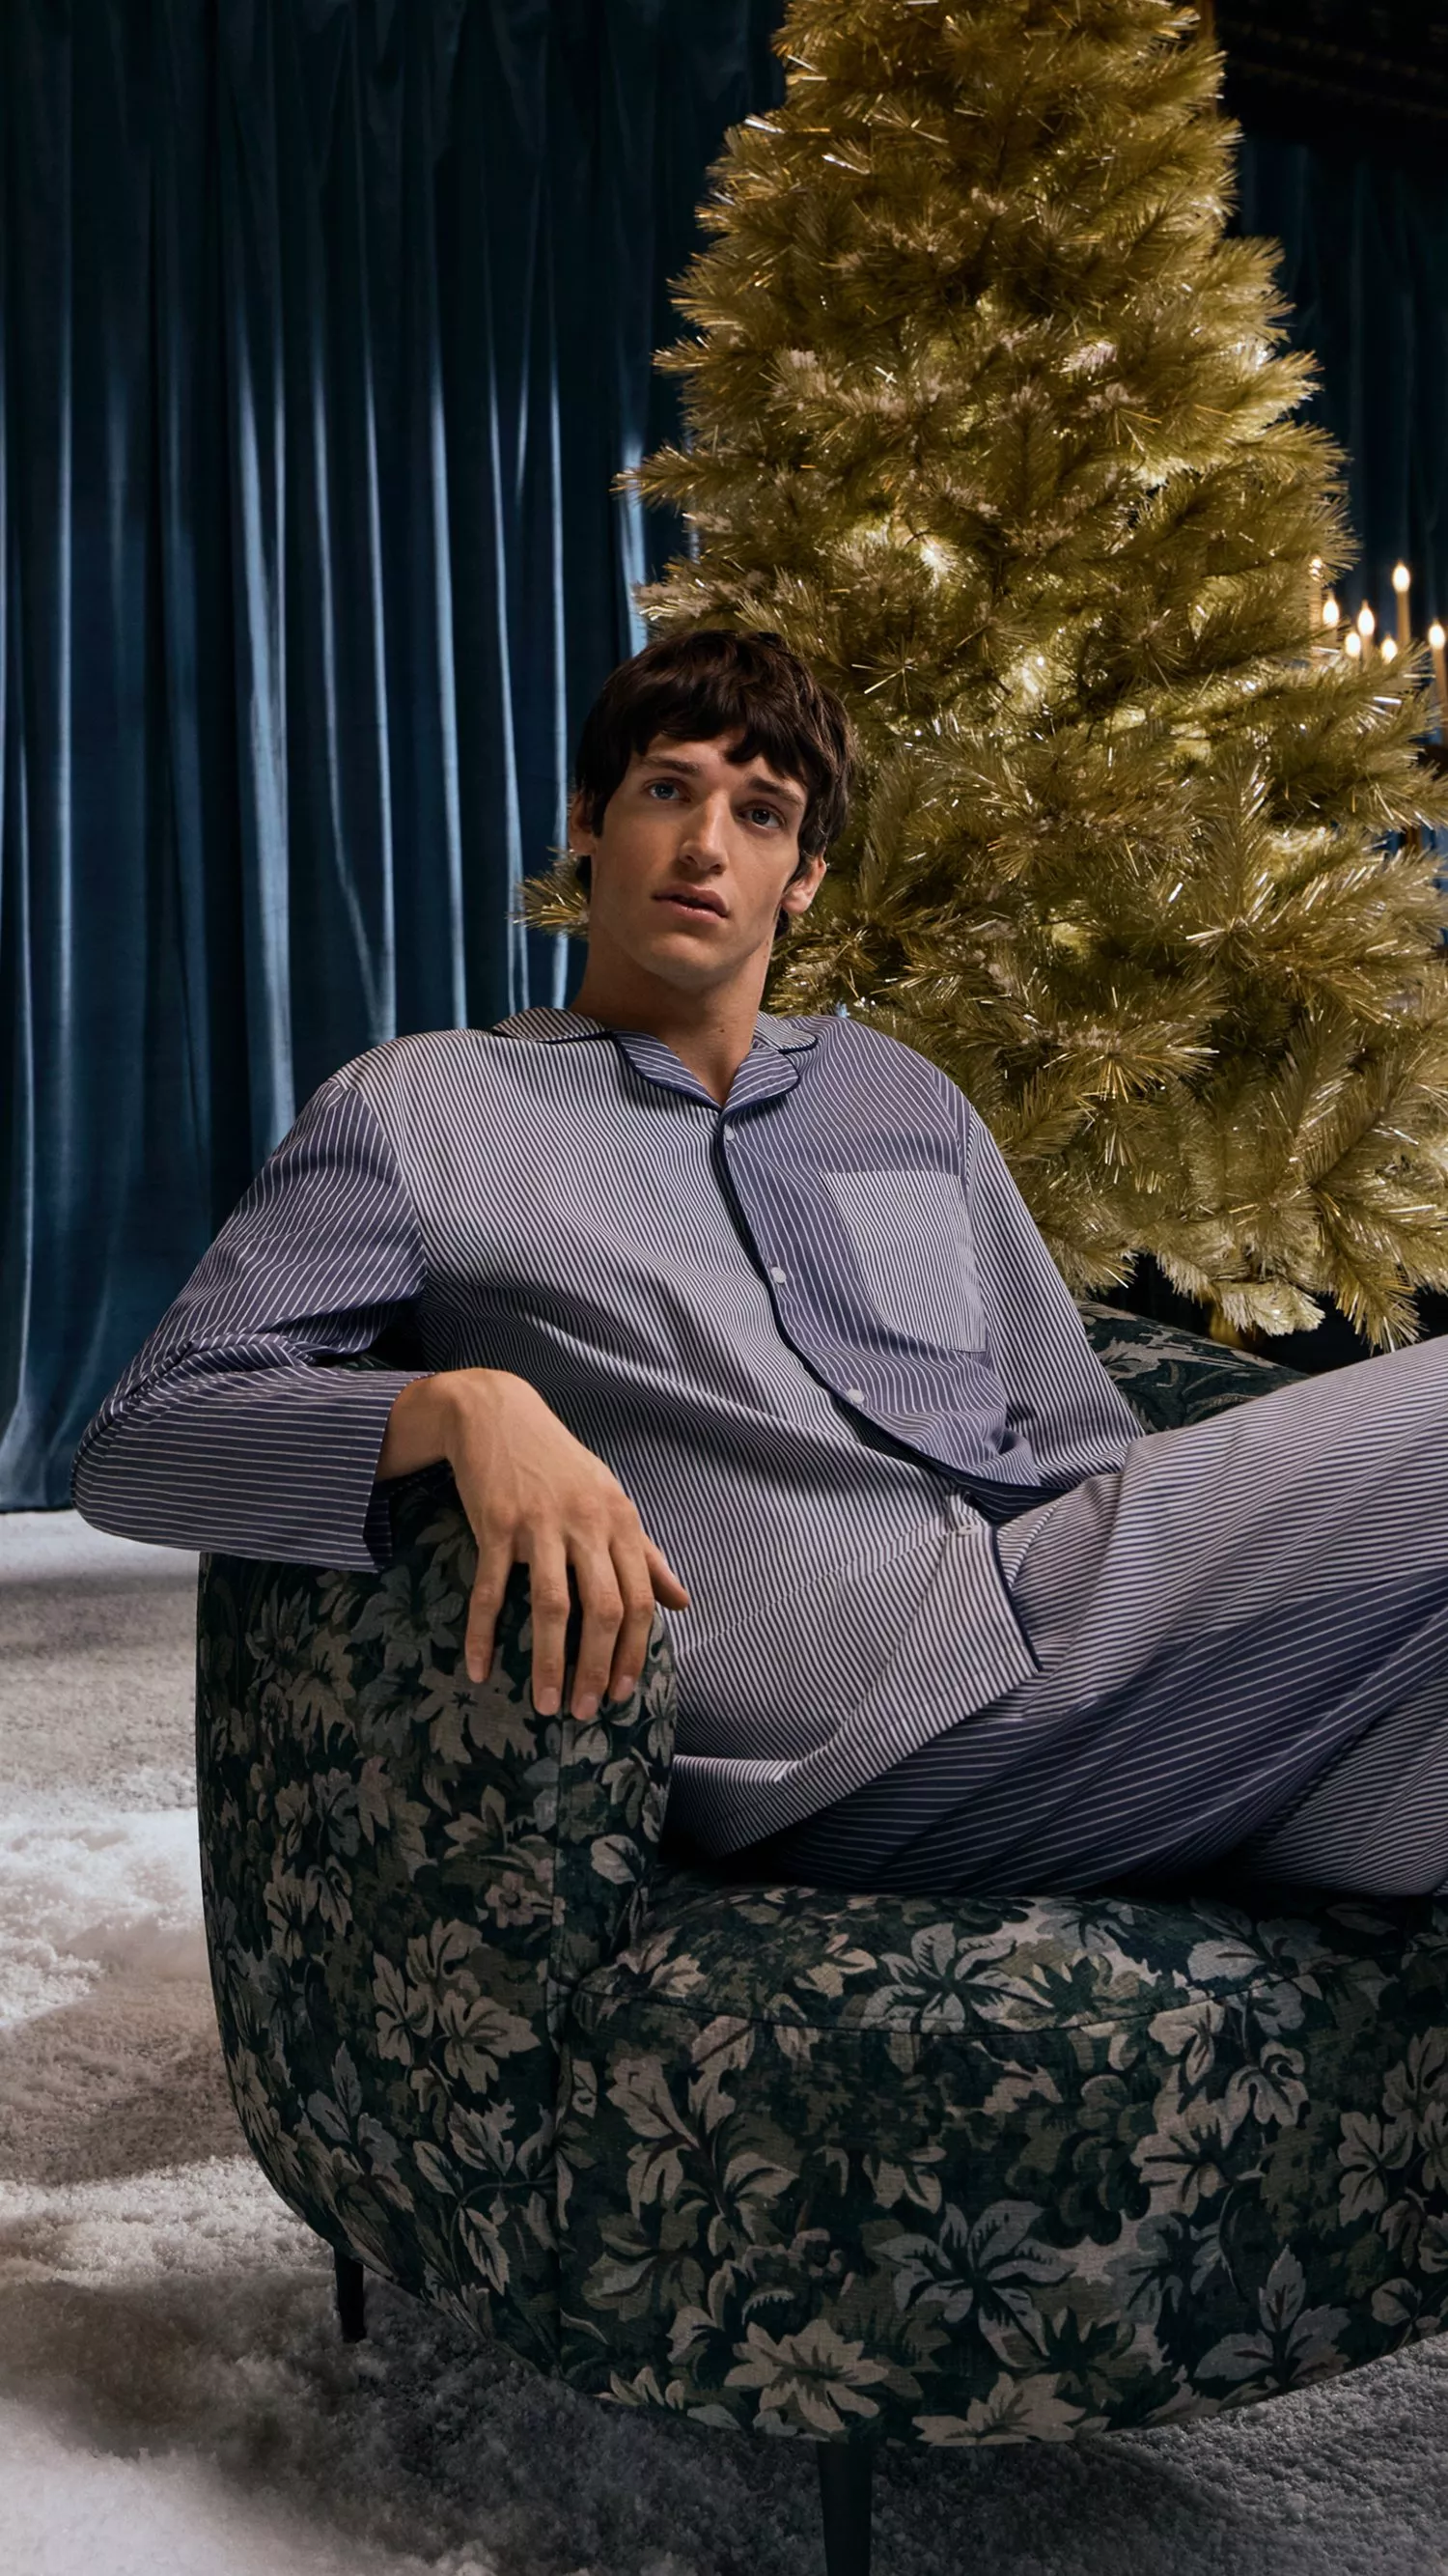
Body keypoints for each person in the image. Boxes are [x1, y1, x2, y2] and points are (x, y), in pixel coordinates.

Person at [73, 630, 1448, 1902]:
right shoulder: (417, 1109)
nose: (705, 845)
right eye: (668, 791)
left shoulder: (901, 1100)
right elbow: (144, 1439)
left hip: (1093, 1687)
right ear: (588, 829)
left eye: (761, 814)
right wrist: (463, 1406)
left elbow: (1077, 1442)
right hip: (851, 1742)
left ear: (803, 883)